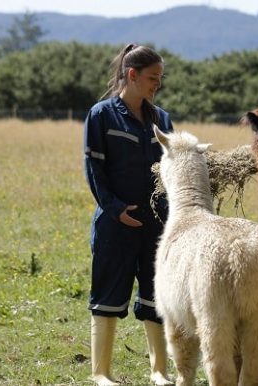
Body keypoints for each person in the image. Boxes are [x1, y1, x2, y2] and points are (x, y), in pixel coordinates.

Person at [83, 43, 173, 386]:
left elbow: (173, 167)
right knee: (107, 293)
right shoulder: (101, 115)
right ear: (132, 75)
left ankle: (159, 371)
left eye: (160, 78)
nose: (157, 85)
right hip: (114, 224)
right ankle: (101, 373)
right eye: (153, 78)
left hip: (158, 225)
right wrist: (116, 209)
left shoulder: (162, 119)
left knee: (157, 295)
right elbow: (94, 169)